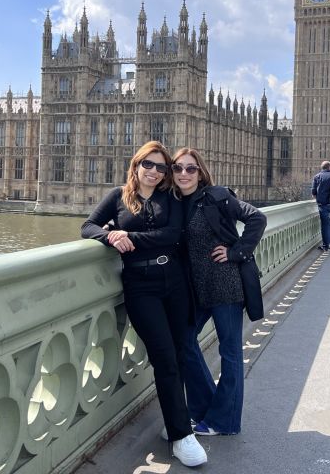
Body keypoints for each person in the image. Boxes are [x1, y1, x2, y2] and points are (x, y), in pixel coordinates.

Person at [81, 141, 206, 466]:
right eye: (147, 164)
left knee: (178, 355)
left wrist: (126, 236)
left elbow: (172, 234)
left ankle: (175, 422)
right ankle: (181, 436)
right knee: (164, 357)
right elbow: (87, 227)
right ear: (136, 165)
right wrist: (108, 236)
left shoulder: (171, 197)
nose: (153, 171)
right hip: (141, 287)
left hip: (174, 283)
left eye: (161, 167)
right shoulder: (117, 196)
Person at [172, 147, 267, 436]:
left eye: (191, 168)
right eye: (177, 168)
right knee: (184, 342)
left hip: (225, 285)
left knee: (230, 354)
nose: (184, 174)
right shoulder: (175, 203)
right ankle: (205, 409)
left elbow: (257, 219)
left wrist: (235, 252)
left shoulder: (217, 196)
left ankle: (223, 421)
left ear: (200, 172)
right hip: (197, 289)